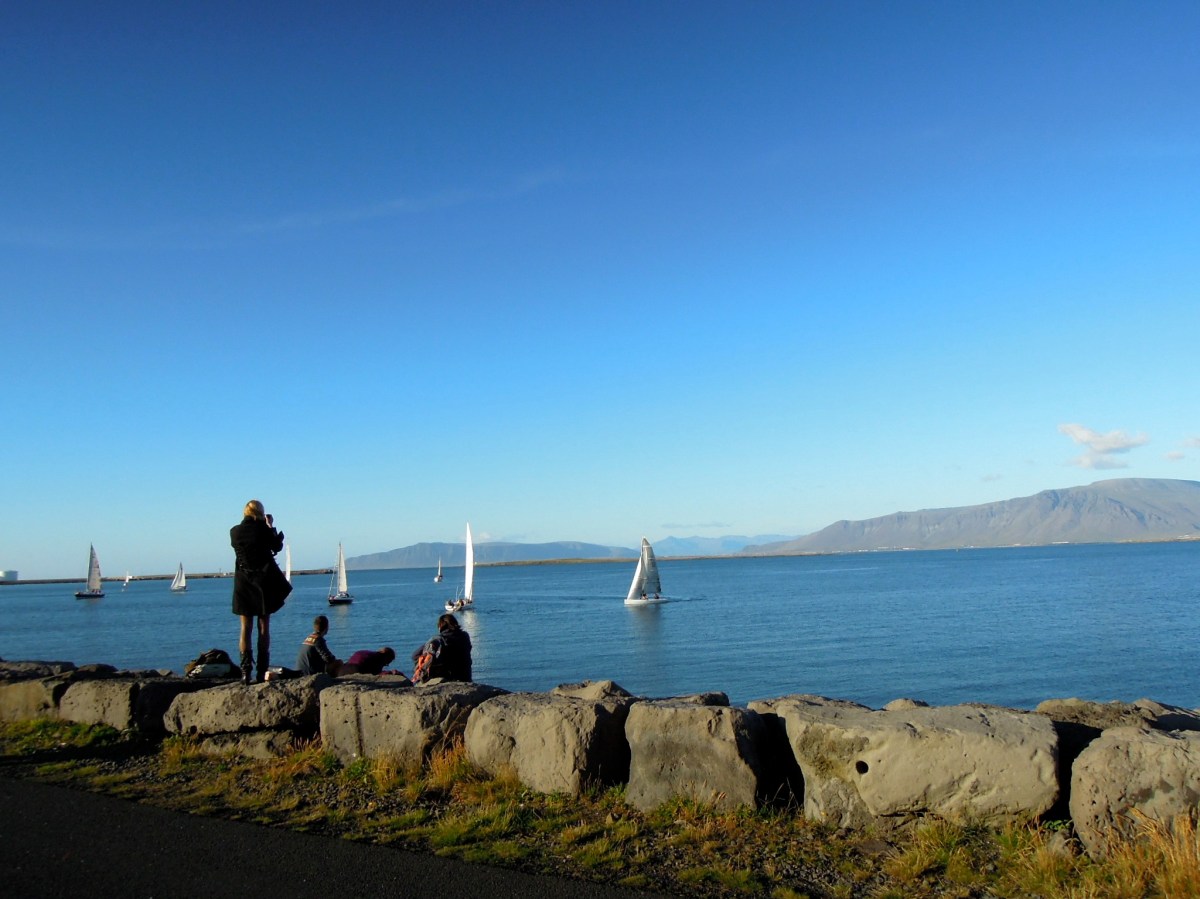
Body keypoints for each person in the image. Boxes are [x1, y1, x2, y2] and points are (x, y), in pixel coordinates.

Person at [230, 499, 291, 684]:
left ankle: (245, 673)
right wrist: (270, 526)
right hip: (263, 583)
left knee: (245, 629)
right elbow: (276, 547)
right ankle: (261, 671)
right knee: (264, 628)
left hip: (243, 584)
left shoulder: (235, 532)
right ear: (260, 512)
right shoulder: (262, 530)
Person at [411, 613, 473, 683]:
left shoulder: (439, 639)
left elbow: (414, 656)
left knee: (423, 659)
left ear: (440, 626)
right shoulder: (465, 636)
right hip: (466, 676)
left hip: (449, 677)